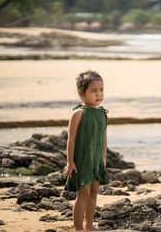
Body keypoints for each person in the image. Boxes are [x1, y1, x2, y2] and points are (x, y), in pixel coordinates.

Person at [64, 70, 110, 231]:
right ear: (81, 93)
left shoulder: (102, 114)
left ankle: (89, 224)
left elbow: (103, 137)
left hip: (96, 161)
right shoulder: (78, 113)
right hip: (82, 161)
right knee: (83, 194)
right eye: (94, 90)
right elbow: (71, 139)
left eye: (101, 90)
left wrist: (103, 159)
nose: (99, 94)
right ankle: (78, 228)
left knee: (93, 193)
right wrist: (70, 162)